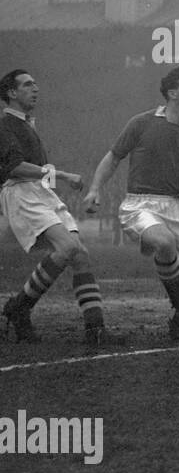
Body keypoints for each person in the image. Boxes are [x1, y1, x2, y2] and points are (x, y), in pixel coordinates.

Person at [83, 67, 179, 342]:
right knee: (163, 242)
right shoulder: (142, 122)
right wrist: (93, 189)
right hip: (141, 205)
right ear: (172, 94)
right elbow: (113, 157)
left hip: (178, 205)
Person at [0, 69, 121, 346]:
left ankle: (95, 328)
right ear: (11, 93)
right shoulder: (6, 124)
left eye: (36, 84)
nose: (36, 88)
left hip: (40, 192)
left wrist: (55, 179)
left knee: (80, 254)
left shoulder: (27, 124)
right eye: (28, 85)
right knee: (67, 248)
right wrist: (63, 176)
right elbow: (15, 168)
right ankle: (20, 307)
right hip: (20, 193)